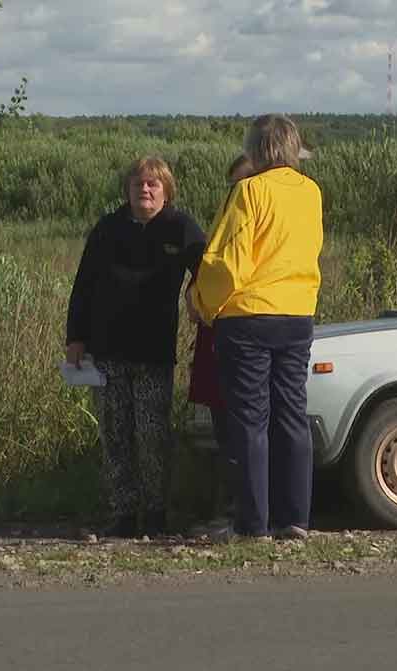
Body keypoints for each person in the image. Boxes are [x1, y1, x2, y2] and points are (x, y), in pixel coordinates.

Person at [189, 114, 323, 541]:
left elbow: (230, 259)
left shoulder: (249, 191)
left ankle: (252, 523)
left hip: (248, 316)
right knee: (291, 416)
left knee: (250, 420)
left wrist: (200, 302)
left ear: (255, 150)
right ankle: (295, 517)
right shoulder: (311, 192)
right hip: (297, 312)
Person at [66, 157, 206, 538]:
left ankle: (157, 514)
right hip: (106, 351)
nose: (144, 190)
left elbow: (208, 272)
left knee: (152, 435)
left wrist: (201, 303)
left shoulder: (181, 228)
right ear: (127, 190)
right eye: (138, 185)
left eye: (153, 185)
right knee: (115, 435)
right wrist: (75, 338)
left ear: (166, 191)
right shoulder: (107, 229)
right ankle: (123, 514)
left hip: (153, 352)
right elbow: (84, 286)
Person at [185, 154, 253, 534]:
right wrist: (193, 297)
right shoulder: (227, 222)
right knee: (224, 427)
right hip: (216, 331)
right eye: (234, 184)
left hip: (243, 329)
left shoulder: (259, 221)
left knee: (247, 425)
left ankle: (244, 511)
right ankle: (229, 507)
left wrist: (201, 299)